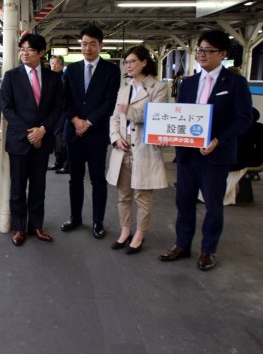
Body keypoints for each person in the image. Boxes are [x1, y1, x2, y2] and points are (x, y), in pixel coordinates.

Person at [158, 29, 253, 271]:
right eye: (199, 49)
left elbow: (243, 119)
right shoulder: (188, 83)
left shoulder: (235, 83)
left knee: (213, 205)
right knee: (184, 203)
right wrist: (168, 136)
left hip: (215, 156)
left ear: (222, 54)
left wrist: (218, 140)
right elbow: (179, 117)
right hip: (188, 155)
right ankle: (182, 244)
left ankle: (208, 250)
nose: (201, 54)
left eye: (207, 50)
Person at [0, 33, 63, 246]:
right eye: (22, 49)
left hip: (43, 141)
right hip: (19, 141)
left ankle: (36, 225)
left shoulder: (54, 78)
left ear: (42, 53)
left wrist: (43, 130)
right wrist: (31, 133)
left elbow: (58, 108)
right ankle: (19, 227)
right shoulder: (11, 76)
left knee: (39, 186)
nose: (24, 53)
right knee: (17, 187)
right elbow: (7, 109)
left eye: (30, 49)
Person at [106, 46, 168, 255]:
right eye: (126, 62)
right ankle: (125, 232)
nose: (128, 65)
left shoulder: (158, 88)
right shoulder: (124, 88)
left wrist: (130, 111)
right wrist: (115, 139)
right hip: (123, 149)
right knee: (123, 195)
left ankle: (139, 234)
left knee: (142, 196)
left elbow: (156, 116)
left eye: (132, 61)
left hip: (144, 149)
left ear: (144, 62)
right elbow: (114, 117)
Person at [60, 25, 121, 239]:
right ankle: (75, 217)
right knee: (75, 178)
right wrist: (76, 120)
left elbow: (109, 102)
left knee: (98, 180)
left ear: (100, 46)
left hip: (96, 134)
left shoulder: (111, 70)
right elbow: (65, 99)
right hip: (74, 134)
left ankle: (98, 222)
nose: (87, 48)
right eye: (84, 44)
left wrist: (89, 122)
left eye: (92, 44)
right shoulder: (71, 69)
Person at [47, 55, 68, 174]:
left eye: (56, 63)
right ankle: (58, 163)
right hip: (53, 114)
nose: (54, 66)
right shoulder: (50, 77)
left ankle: (65, 164)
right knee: (57, 139)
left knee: (61, 139)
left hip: (63, 113)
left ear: (62, 65)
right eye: (52, 63)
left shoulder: (64, 78)